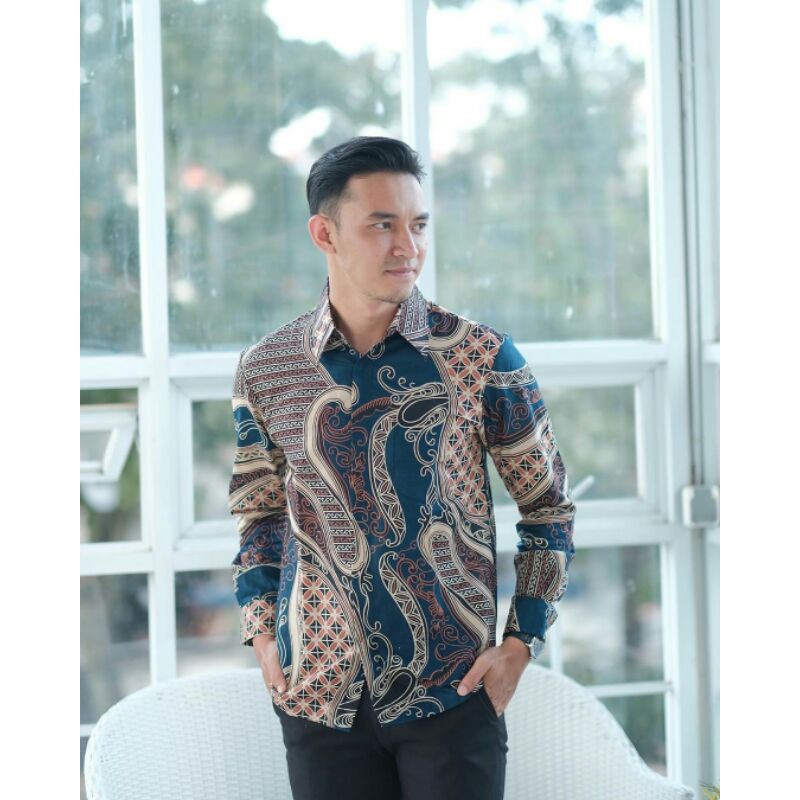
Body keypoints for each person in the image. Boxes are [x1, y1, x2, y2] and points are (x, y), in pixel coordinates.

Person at [228, 136, 576, 800]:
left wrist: (521, 642)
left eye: (417, 225)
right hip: (318, 695)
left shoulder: (481, 357)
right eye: (382, 225)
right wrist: (263, 632)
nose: (407, 247)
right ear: (324, 234)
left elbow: (548, 508)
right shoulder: (268, 369)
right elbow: (259, 512)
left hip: (452, 692)